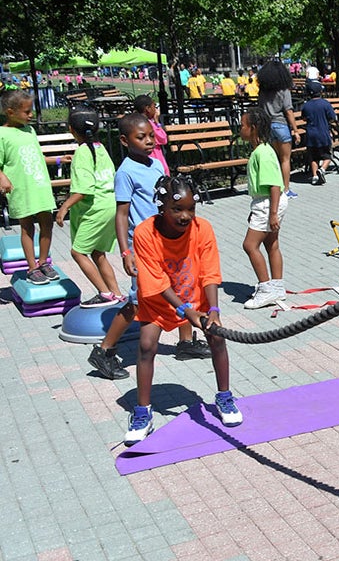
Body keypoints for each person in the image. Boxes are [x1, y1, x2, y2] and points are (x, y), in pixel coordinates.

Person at [87, 114, 210, 380]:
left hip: (167, 240)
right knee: (137, 301)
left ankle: (186, 342)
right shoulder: (125, 172)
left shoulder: (156, 165)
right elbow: (121, 215)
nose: (148, 141)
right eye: (140, 137)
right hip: (142, 246)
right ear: (124, 140)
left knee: (182, 287)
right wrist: (125, 252)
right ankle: (104, 350)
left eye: (151, 136)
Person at [123, 175, 241, 445]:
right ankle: (143, 412)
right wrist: (186, 312)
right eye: (177, 209)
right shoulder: (144, 233)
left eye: (191, 209)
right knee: (146, 345)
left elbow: (210, 271)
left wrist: (213, 309)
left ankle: (224, 396)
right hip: (160, 300)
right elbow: (156, 281)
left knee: (217, 337)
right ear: (161, 206)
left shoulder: (203, 229)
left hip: (195, 296)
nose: (186, 216)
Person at [54, 110, 122, 307]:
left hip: (96, 209)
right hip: (110, 205)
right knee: (98, 253)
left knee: (78, 253)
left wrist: (64, 207)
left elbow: (83, 190)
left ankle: (105, 293)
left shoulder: (82, 153)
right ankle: (117, 293)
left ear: (71, 130)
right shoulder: (100, 148)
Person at [0, 90, 57, 285]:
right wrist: (3, 179)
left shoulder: (29, 130)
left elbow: (36, 157)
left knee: (47, 224)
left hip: (40, 186)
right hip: (22, 189)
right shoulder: (2, 134)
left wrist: (57, 159)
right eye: (27, 112)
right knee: (27, 227)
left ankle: (43, 263)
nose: (31, 115)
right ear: (10, 111)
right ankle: (32, 267)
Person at [240, 108, 288, 309]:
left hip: (269, 201)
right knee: (271, 244)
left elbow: (274, 185)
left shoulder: (264, 152)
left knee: (250, 245)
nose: (239, 129)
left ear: (253, 128)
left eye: (242, 125)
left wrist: (272, 214)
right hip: (265, 202)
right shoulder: (262, 150)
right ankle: (277, 286)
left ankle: (266, 289)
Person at [257, 60, 301, 198]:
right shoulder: (284, 91)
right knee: (285, 159)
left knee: (274, 159)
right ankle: (286, 189)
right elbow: (289, 111)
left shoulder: (263, 91)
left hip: (267, 126)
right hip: (281, 125)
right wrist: (295, 130)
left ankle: (275, 188)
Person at [300, 83, 336, 185]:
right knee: (327, 156)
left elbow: (303, 118)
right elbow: (332, 117)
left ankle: (315, 176)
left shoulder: (306, 105)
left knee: (313, 156)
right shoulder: (325, 104)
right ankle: (322, 169)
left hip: (311, 135)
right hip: (323, 134)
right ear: (320, 92)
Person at [133, 94, 170, 174]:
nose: (155, 109)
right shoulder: (149, 124)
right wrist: (157, 122)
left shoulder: (136, 122)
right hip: (154, 157)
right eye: (154, 106)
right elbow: (163, 139)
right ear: (148, 109)